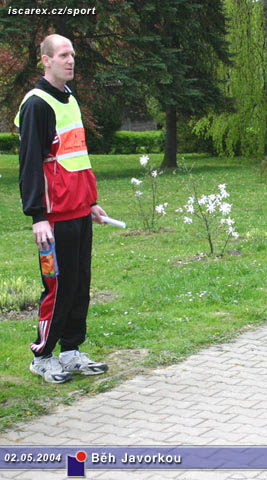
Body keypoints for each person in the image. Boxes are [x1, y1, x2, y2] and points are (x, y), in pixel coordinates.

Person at [14, 34, 108, 384]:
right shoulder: (36, 104)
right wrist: (38, 216)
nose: (71, 61)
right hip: (53, 220)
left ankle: (71, 351)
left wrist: (91, 202)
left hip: (79, 211)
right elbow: (29, 164)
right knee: (58, 286)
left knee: (80, 284)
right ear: (46, 60)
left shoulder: (70, 99)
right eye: (64, 55)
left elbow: (77, 158)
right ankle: (43, 356)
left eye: (73, 55)